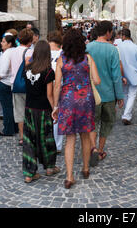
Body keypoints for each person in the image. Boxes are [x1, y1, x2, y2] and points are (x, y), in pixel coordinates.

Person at [52, 29, 100, 189]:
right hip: (85, 100)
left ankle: (69, 176)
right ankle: (85, 169)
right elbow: (97, 80)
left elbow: (57, 84)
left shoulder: (61, 60)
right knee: (85, 136)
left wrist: (55, 106)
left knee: (70, 139)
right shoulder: (88, 58)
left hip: (67, 100)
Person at [86, 20, 124, 165]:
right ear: (108, 32)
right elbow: (116, 76)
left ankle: (92, 148)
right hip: (108, 94)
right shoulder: (112, 50)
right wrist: (119, 95)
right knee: (107, 123)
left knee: (92, 123)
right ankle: (100, 150)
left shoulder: (88, 48)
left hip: (92, 93)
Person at [23, 40, 60, 183]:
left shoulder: (27, 68)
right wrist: (54, 109)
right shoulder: (48, 71)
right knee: (47, 138)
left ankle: (29, 173)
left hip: (29, 109)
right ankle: (50, 167)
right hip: (43, 110)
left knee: (29, 140)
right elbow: (49, 95)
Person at [10, 28, 33, 145]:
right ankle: (30, 136)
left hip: (15, 84)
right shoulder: (30, 52)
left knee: (19, 112)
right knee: (30, 112)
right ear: (30, 40)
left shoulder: (12, 51)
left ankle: (21, 137)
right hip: (28, 85)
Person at [0, 35, 18, 136]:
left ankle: (8, 130)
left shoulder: (7, 53)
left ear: (9, 44)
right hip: (10, 82)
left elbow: (4, 69)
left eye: (3, 42)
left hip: (4, 82)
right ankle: (14, 127)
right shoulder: (14, 52)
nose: (1, 43)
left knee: (6, 107)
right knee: (11, 106)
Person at [117, 29, 137, 125]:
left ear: (123, 36)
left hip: (122, 74)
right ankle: (127, 115)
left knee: (125, 94)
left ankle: (127, 113)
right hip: (134, 74)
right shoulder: (136, 48)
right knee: (132, 95)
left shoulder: (118, 47)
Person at [47, 30, 63, 153]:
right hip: (60, 86)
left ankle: (46, 141)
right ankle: (57, 144)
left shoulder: (42, 53)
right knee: (58, 114)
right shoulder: (63, 54)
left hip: (44, 86)